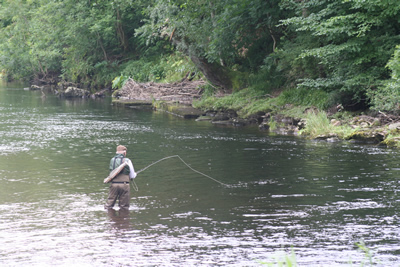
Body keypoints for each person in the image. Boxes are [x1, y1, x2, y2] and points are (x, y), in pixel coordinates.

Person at [104, 145, 137, 210]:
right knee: (124, 207)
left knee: (109, 205)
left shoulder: (112, 160)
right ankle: (123, 219)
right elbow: (132, 175)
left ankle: (110, 218)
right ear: (125, 153)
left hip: (113, 185)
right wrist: (135, 175)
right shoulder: (127, 160)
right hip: (124, 185)